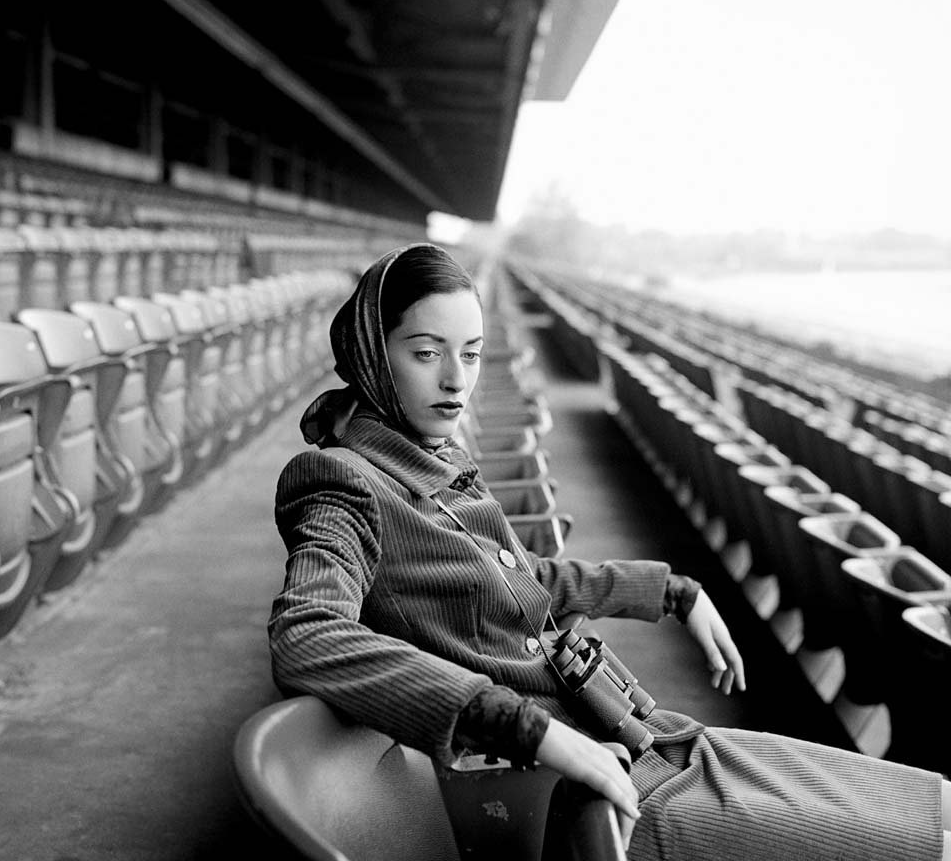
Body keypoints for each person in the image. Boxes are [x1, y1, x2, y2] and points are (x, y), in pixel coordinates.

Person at [268, 243, 950, 861]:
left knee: (915, 803)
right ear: (372, 354)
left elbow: (526, 579)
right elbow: (308, 633)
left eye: (470, 353)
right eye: (426, 353)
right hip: (584, 800)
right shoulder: (340, 481)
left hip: (636, 734)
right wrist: (518, 725)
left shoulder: (432, 456)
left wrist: (672, 591)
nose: (456, 380)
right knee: (901, 843)